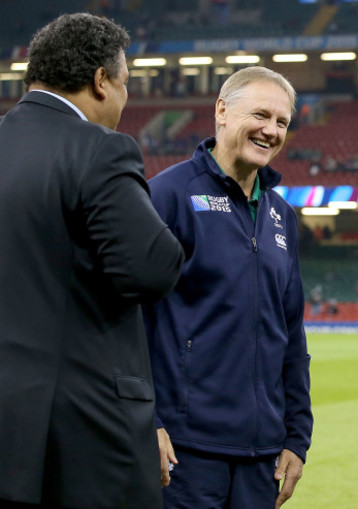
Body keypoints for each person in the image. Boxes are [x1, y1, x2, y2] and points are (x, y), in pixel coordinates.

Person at [0, 13, 184, 509]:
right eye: (125, 84)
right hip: (83, 431)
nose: (126, 101)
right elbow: (151, 269)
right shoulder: (98, 150)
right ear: (101, 81)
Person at [143, 66, 313, 509]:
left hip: (263, 456)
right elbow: (129, 318)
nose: (272, 131)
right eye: (261, 115)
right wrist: (147, 419)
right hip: (185, 450)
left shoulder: (282, 216)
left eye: (282, 122)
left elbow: (291, 333)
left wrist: (297, 437)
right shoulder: (167, 195)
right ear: (221, 110)